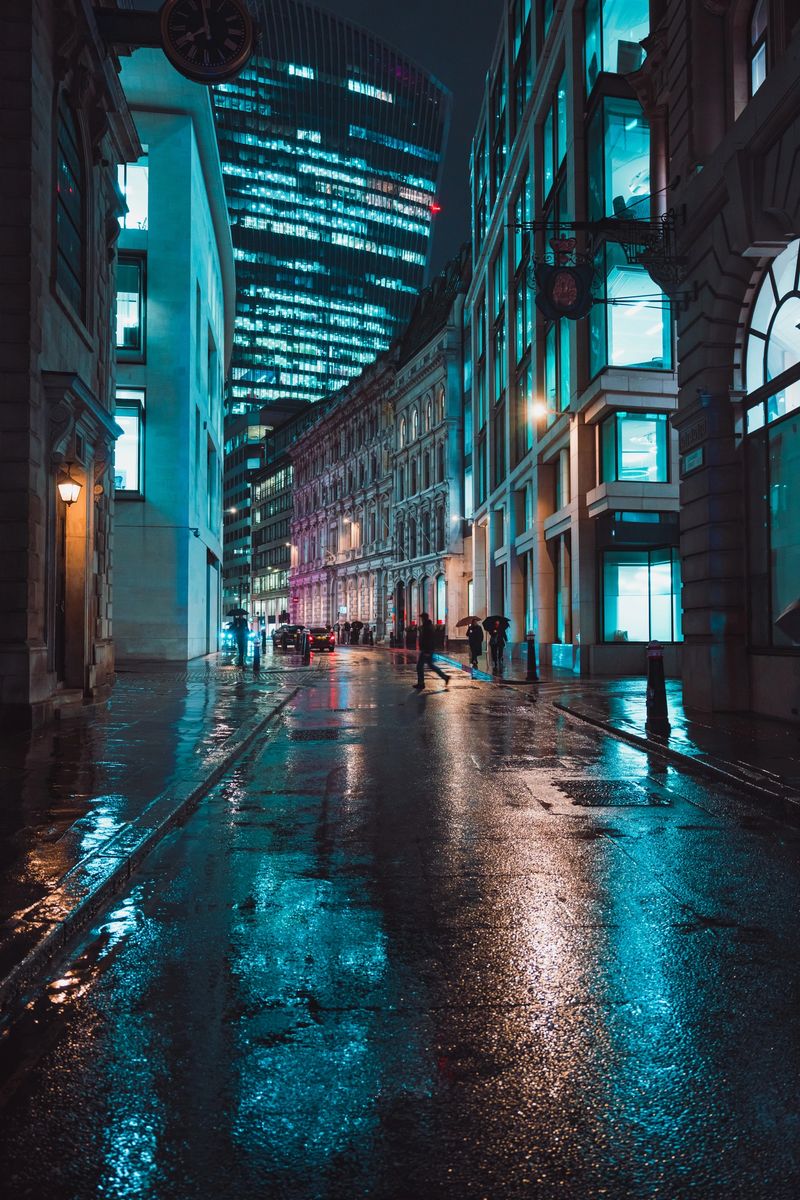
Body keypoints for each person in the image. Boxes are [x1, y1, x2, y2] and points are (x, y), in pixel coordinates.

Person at [413, 612, 449, 691]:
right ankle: (445, 677)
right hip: (427, 649)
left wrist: (427, 651)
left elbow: (428, 640)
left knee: (419, 666)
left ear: (424, 618)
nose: (421, 619)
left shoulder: (428, 627)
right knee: (430, 665)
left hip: (426, 650)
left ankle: (421, 683)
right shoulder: (426, 626)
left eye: (422, 618)